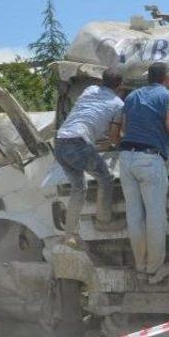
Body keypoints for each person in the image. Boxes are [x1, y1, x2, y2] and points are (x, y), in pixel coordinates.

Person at [119, 62, 169, 285]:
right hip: (149, 158)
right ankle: (155, 268)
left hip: (125, 157)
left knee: (134, 215)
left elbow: (125, 127)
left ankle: (140, 266)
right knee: (155, 217)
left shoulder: (132, 96)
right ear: (167, 78)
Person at [54, 67, 124, 244]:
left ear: (101, 81)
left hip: (61, 141)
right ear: (120, 86)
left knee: (79, 187)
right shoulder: (118, 104)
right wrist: (122, 145)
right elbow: (114, 137)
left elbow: (87, 112)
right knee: (105, 178)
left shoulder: (89, 90)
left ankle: (70, 234)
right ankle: (103, 221)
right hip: (79, 143)